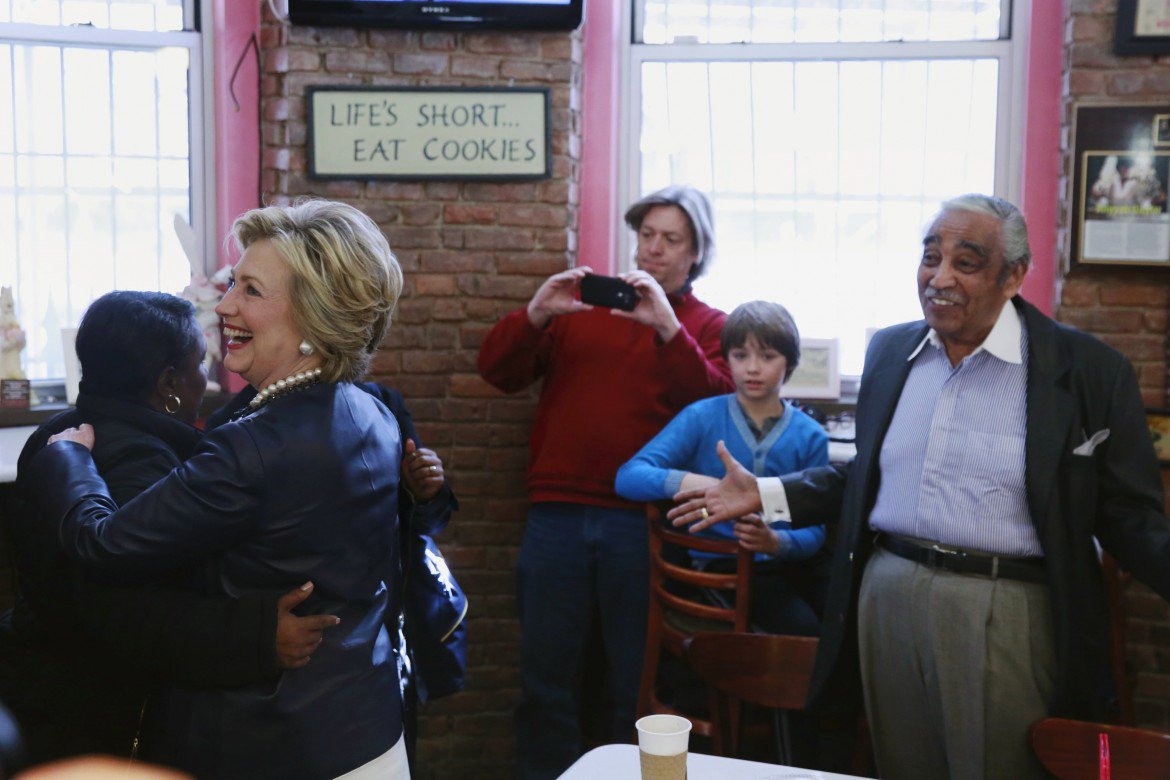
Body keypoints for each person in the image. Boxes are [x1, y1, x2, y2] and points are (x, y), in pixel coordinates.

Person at [670, 194, 1170, 779]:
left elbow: (1131, 516)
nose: (940, 276)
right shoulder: (892, 351)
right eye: (930, 256)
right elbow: (868, 475)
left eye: (966, 261)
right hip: (887, 594)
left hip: (1004, 608)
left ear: (1014, 276)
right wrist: (769, 493)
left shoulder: (1084, 369)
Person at [25, 200, 408, 779]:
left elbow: (100, 542)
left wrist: (71, 458)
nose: (224, 304)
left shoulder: (253, 447)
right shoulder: (369, 409)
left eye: (250, 290)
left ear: (313, 314)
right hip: (367, 724)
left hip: (271, 741)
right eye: (232, 283)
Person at [3, 291, 332, 765]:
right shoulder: (141, 460)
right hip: (91, 711)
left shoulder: (61, 431)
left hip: (40, 678)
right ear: (169, 383)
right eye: (200, 363)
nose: (206, 375)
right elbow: (122, 612)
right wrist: (256, 636)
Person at [478, 184, 733, 778]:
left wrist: (669, 329)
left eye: (672, 240)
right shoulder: (580, 313)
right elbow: (496, 371)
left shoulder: (708, 325)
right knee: (546, 676)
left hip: (642, 526)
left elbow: (717, 412)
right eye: (647, 236)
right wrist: (537, 312)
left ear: (696, 252)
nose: (655, 250)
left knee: (633, 682)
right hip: (557, 514)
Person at [615, 300, 829, 636]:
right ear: (727, 358)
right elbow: (629, 476)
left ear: (790, 362)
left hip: (780, 568)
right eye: (740, 355)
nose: (752, 368)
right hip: (713, 569)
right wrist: (695, 482)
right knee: (803, 632)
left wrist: (775, 541)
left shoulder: (810, 436)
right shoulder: (701, 417)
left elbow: (816, 531)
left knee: (834, 628)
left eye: (767, 356)